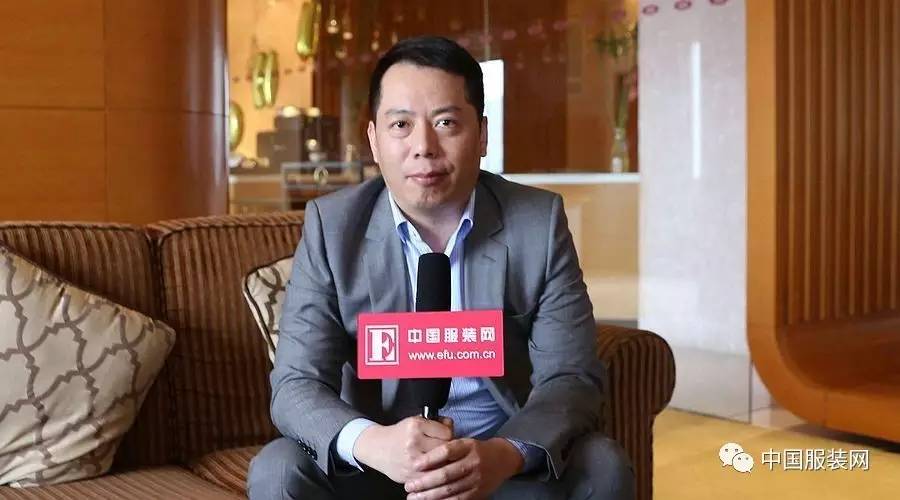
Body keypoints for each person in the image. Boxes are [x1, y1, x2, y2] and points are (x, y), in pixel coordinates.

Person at [248, 36, 634, 500]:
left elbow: (570, 377)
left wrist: (504, 454)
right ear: (374, 140)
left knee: (602, 465)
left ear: (482, 135)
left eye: (446, 122)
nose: (424, 147)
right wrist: (374, 444)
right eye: (401, 125)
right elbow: (297, 383)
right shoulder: (333, 228)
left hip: (497, 466)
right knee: (278, 470)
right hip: (377, 465)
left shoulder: (537, 224)